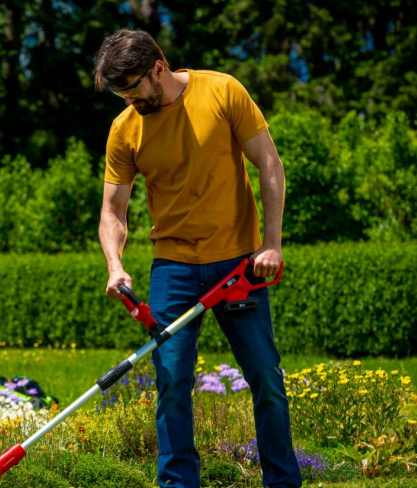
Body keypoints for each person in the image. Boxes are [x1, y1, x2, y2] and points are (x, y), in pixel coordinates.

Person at [94, 29, 302, 488]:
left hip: (239, 265)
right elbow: (113, 211)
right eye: (118, 91)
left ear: (158, 67)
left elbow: (269, 163)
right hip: (173, 267)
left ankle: (283, 482)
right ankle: (178, 484)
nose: (127, 99)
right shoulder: (124, 128)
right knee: (171, 384)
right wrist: (115, 264)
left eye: (132, 87)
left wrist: (271, 244)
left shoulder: (222, 90)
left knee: (266, 378)